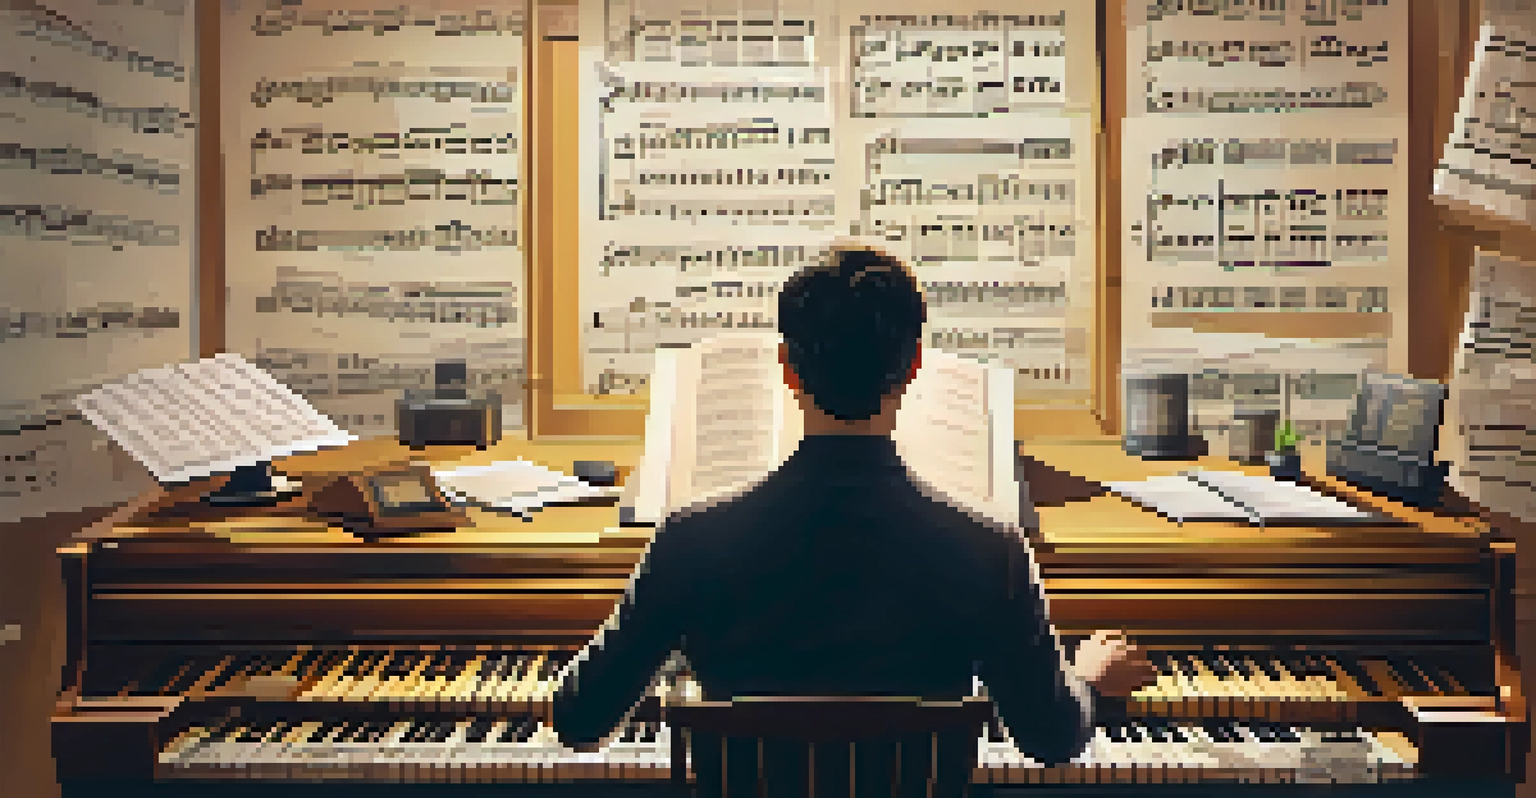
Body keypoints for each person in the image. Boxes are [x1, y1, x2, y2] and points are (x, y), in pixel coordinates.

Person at [550, 244, 1156, 792]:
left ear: (787, 371)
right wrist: (1087, 680)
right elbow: (1051, 739)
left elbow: (578, 719)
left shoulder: (690, 542)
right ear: (914, 368)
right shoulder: (989, 551)